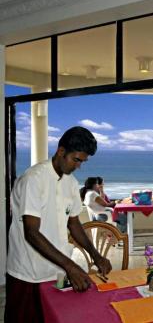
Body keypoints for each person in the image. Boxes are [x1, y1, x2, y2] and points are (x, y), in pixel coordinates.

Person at [5, 127, 112, 322]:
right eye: (76, 159)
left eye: (83, 161)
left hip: (55, 270)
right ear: (61, 151)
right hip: (29, 272)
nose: (78, 166)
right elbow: (31, 232)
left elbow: (74, 224)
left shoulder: (70, 183)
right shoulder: (34, 179)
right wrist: (71, 267)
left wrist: (95, 255)